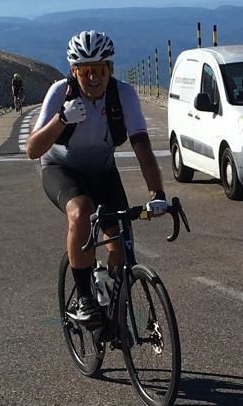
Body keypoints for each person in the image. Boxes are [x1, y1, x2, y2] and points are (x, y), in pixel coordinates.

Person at [26, 30, 170, 325]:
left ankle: (112, 307)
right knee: (81, 213)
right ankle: (84, 298)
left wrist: (157, 194)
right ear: (74, 71)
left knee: (121, 247)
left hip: (103, 172)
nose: (94, 78)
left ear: (110, 70)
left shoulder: (123, 95)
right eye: (86, 71)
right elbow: (33, 149)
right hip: (61, 170)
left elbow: (141, 145)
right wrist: (61, 119)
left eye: (100, 70)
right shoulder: (60, 93)